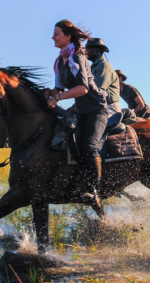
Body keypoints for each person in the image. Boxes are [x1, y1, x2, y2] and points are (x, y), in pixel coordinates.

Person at [46, 19, 111, 206]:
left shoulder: (77, 57)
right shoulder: (59, 62)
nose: (53, 37)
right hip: (81, 111)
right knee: (74, 147)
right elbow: (58, 89)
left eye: (56, 34)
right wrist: (48, 96)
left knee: (90, 147)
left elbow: (82, 89)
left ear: (68, 37)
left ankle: (94, 191)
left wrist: (57, 98)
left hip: (97, 109)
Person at [85, 38, 120, 113]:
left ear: (97, 50)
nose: (86, 51)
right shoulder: (93, 67)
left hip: (109, 106)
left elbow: (97, 91)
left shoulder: (103, 66)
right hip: (98, 105)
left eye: (89, 48)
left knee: (95, 123)